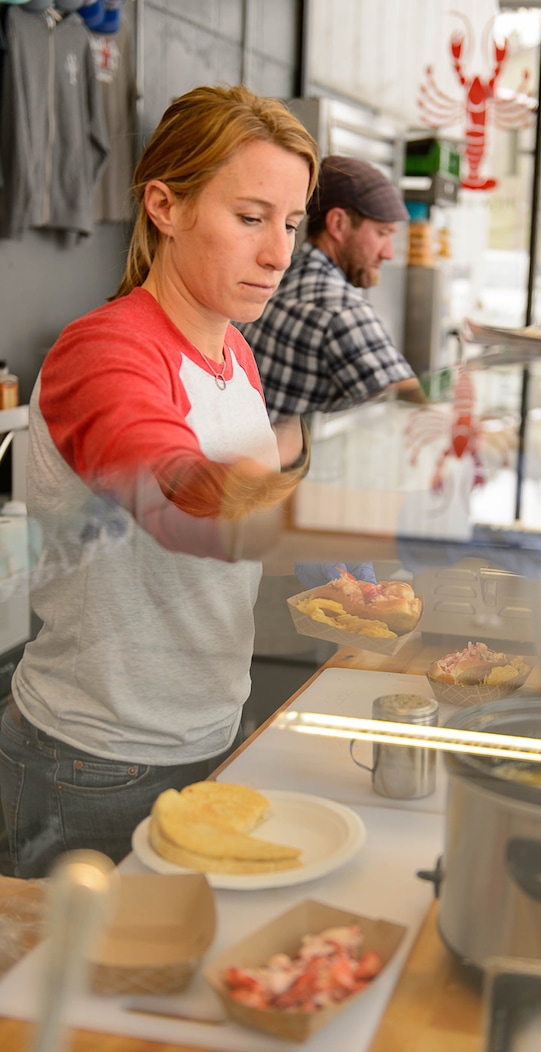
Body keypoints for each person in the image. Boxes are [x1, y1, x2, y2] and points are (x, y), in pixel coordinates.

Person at [0, 84, 320, 878]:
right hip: (94, 765)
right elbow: (177, 499)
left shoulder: (232, 352)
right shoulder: (104, 351)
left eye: (290, 223)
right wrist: (313, 493)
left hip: (208, 733)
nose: (278, 254)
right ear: (164, 206)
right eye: (250, 218)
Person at [238, 154, 426, 420]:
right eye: (382, 234)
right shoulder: (341, 312)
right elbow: (417, 414)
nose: (388, 253)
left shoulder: (276, 277)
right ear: (338, 224)